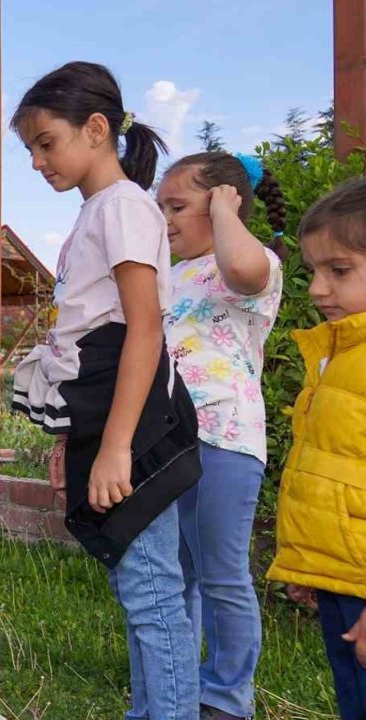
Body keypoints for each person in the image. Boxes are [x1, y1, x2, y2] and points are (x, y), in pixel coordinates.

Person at [9, 61, 202, 720]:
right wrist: (78, 440)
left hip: (137, 422)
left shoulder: (122, 206)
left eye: (45, 143)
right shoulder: (101, 211)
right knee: (138, 585)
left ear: (96, 129)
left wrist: (118, 447)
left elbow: (142, 330)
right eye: (30, 149)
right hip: (108, 419)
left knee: (152, 594)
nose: (37, 161)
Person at [156, 151, 287, 720]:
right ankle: (179, 682)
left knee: (221, 574)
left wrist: (227, 213)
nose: (166, 219)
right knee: (175, 570)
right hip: (166, 443)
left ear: (222, 202)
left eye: (178, 206)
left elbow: (242, 271)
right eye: (162, 207)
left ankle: (227, 696)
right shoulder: (172, 272)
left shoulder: (254, 263)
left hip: (224, 439)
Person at [266, 177, 366, 720]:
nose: (318, 290)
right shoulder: (338, 355)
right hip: (344, 576)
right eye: (314, 272)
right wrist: (313, 566)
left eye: (340, 270)